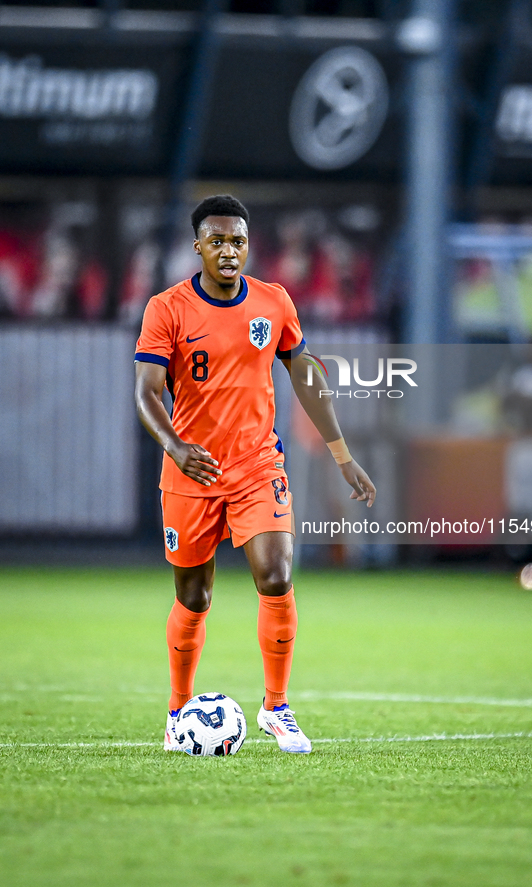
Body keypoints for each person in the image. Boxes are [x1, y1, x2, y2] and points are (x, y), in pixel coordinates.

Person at [134, 194, 376, 754]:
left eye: (237, 241)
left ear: (249, 246)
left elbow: (306, 378)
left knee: (277, 576)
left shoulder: (274, 302)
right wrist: (175, 446)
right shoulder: (166, 309)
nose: (228, 250)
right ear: (198, 247)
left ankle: (277, 707)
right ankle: (177, 713)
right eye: (216, 241)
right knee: (194, 597)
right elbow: (146, 395)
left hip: (257, 466)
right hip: (191, 472)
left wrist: (342, 453)